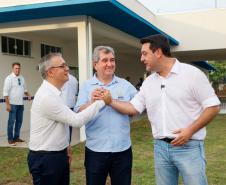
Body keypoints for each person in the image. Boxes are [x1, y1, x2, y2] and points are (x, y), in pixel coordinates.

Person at [103, 34, 220, 185]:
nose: (141, 58)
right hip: (161, 149)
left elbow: (213, 106)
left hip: (189, 147)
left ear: (158, 52)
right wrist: (110, 101)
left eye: (145, 54)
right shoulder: (149, 82)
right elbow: (133, 108)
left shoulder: (192, 74)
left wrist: (190, 130)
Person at [27, 53, 110, 185]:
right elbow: (76, 120)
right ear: (51, 72)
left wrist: (66, 146)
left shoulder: (54, 93)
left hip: (56, 155)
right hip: (46, 158)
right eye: (62, 66)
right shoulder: (47, 97)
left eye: (66, 65)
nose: (67, 69)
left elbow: (61, 122)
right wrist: (103, 102)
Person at [75, 46, 137, 185]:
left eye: (112, 60)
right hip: (96, 150)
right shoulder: (86, 86)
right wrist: (92, 102)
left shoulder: (125, 85)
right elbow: (79, 113)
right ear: (95, 64)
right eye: (105, 60)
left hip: (122, 150)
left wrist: (110, 102)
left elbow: (135, 109)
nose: (110, 64)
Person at [3, 62, 31, 146]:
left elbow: (24, 89)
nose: (17, 70)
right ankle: (10, 139)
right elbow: (5, 92)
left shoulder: (21, 78)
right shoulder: (9, 78)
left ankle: (16, 137)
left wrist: (28, 94)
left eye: (19, 68)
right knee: (11, 122)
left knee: (19, 121)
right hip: (12, 104)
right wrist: (8, 104)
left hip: (20, 104)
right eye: (16, 68)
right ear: (13, 69)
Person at [62, 73, 78, 142]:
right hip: (71, 104)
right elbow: (75, 92)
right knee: (69, 127)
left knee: (62, 127)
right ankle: (68, 143)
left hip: (63, 105)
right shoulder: (74, 79)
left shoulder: (62, 78)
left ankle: (64, 144)